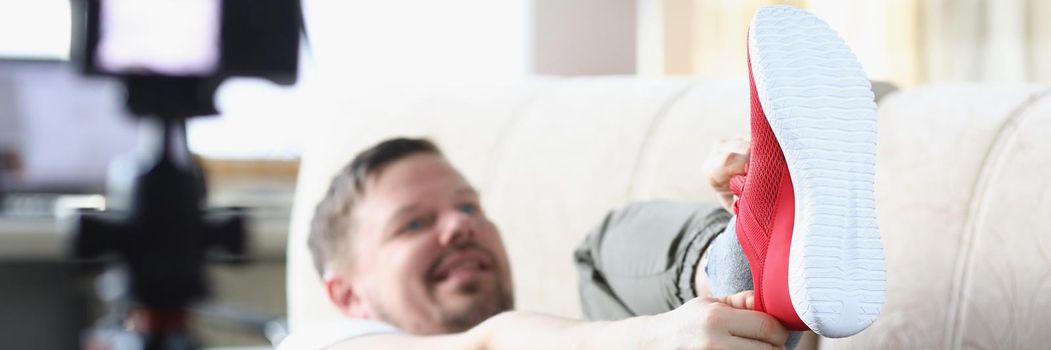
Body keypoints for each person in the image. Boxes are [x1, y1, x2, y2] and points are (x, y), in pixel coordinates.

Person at [278, 5, 884, 350]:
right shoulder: (317, 345)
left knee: (603, 253)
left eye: (468, 206)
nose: (460, 225)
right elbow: (483, 346)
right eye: (413, 223)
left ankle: (753, 251)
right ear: (347, 296)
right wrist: (642, 343)